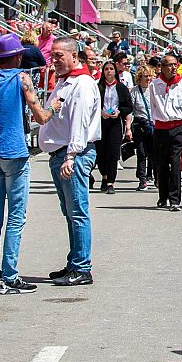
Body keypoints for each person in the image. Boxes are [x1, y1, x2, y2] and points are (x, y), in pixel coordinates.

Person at [0, 34, 51, 295]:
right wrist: (56, 107)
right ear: (16, 57)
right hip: (14, 153)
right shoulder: (21, 79)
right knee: (15, 217)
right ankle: (10, 276)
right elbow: (41, 115)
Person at [39, 36, 102, 286]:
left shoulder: (83, 83)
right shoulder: (66, 82)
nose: (54, 60)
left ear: (74, 56)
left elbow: (80, 123)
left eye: (59, 55)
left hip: (73, 153)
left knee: (77, 212)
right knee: (70, 212)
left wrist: (71, 156)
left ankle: (82, 267)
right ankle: (75, 260)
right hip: (62, 153)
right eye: (52, 55)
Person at [148, 54, 182, 211]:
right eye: (169, 65)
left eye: (175, 65)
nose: (173, 68)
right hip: (161, 128)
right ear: (162, 67)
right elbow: (153, 106)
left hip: (178, 127)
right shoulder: (155, 85)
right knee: (162, 164)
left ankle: (175, 199)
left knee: (174, 162)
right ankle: (162, 196)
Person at [96, 61, 133, 194]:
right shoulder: (98, 87)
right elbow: (92, 104)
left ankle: (111, 181)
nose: (109, 71)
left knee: (113, 152)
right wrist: (101, 113)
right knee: (101, 152)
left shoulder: (121, 88)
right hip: (101, 122)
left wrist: (119, 112)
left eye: (111, 69)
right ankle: (104, 176)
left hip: (116, 123)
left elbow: (129, 106)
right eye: (106, 69)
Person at [130, 65, 156, 190]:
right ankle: (142, 179)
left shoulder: (154, 89)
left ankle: (156, 177)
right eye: (146, 76)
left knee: (154, 153)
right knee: (141, 153)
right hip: (140, 124)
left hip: (153, 124)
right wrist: (128, 128)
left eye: (150, 76)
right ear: (139, 77)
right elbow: (131, 110)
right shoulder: (135, 91)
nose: (149, 79)